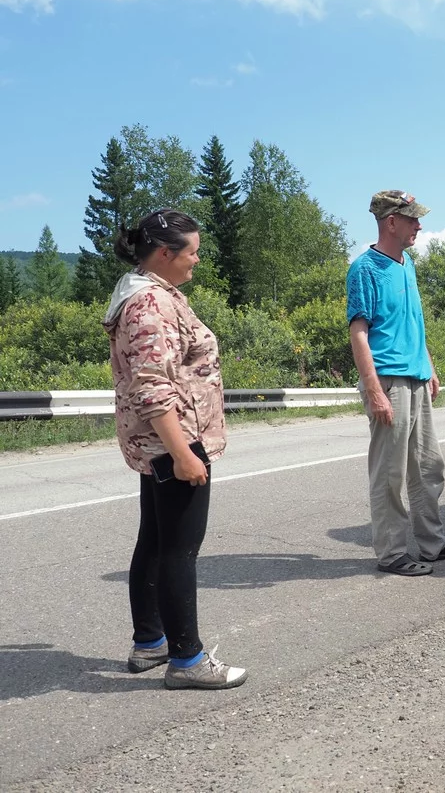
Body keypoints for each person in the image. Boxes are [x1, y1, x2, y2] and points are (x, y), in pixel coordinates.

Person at [104, 209, 247, 690]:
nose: (197, 260)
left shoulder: (147, 293)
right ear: (165, 253)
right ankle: (187, 660)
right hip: (175, 440)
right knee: (180, 550)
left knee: (156, 540)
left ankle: (150, 642)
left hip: (162, 442)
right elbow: (152, 386)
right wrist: (184, 454)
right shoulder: (150, 304)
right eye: (193, 252)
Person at [346, 190, 445, 577]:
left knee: (428, 467)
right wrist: (373, 390)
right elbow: (359, 333)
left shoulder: (408, 265)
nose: (419, 225)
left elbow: (414, 322)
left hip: (416, 376)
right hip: (389, 380)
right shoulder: (365, 269)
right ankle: (391, 553)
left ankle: (432, 543)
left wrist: (429, 366)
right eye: (412, 219)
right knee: (389, 473)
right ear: (391, 222)